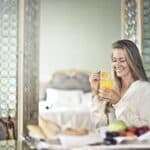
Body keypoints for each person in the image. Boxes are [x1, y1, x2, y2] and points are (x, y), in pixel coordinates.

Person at [89, 39, 150, 128]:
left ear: (133, 61)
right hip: (111, 141)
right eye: (114, 60)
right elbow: (99, 125)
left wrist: (118, 103)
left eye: (122, 60)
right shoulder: (112, 88)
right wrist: (95, 92)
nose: (117, 64)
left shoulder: (145, 89)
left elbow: (146, 129)